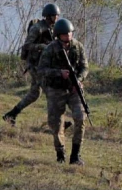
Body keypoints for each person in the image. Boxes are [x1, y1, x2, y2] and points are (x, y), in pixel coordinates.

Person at [37, 18, 89, 165]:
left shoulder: (78, 47)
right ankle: (60, 153)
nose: (69, 36)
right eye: (65, 34)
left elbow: (85, 67)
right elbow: (41, 70)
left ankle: (76, 156)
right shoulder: (50, 49)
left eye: (70, 33)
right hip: (55, 89)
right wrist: (59, 73)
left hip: (74, 89)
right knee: (56, 122)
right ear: (58, 35)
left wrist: (78, 79)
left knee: (80, 117)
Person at [3, 3, 60, 126]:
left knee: (35, 94)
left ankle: (12, 114)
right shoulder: (37, 28)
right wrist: (42, 46)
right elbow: (27, 45)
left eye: (57, 15)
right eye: (54, 16)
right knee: (50, 92)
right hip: (35, 65)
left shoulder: (52, 28)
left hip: (43, 64)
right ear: (48, 16)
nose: (56, 18)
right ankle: (56, 122)